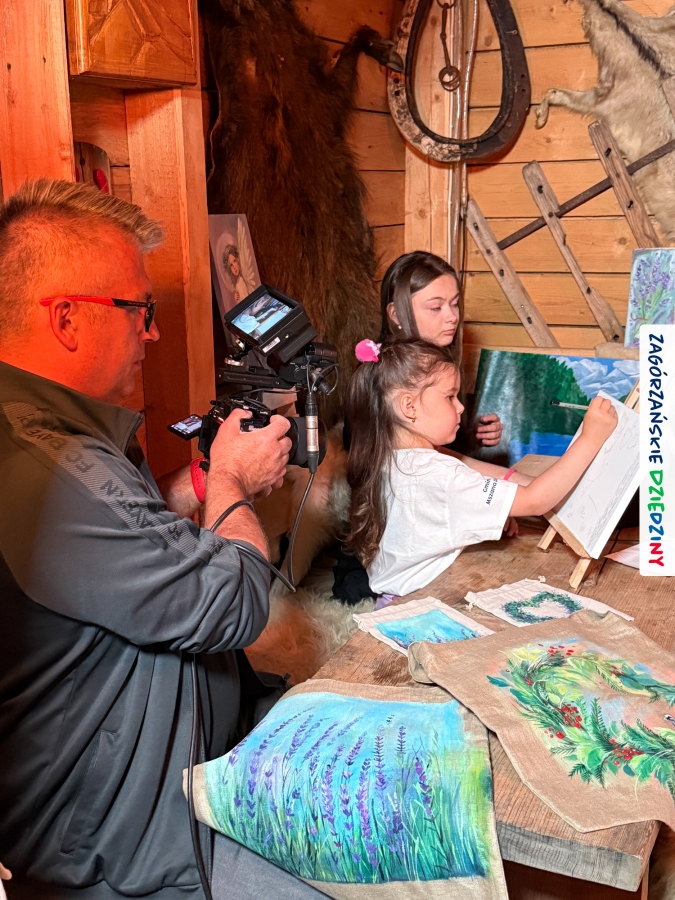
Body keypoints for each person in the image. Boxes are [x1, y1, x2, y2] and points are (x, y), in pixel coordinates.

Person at [0, 180, 323, 900]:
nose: (150, 332)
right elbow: (234, 605)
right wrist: (233, 482)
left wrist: (197, 485)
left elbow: (122, 542)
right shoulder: (49, 465)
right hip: (127, 849)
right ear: (66, 318)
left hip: (167, 784)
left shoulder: (52, 433)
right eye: (138, 310)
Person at [345, 339, 618, 596]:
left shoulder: (391, 455)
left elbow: (473, 471)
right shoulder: (437, 474)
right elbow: (534, 501)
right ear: (409, 406)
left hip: (394, 593)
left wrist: (491, 510)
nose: (461, 407)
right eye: (450, 397)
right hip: (421, 601)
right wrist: (590, 438)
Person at [378, 250, 503, 449]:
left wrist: (471, 434)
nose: (452, 317)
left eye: (455, 304)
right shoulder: (383, 378)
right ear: (396, 314)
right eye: (436, 307)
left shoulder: (443, 364)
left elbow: (439, 448)